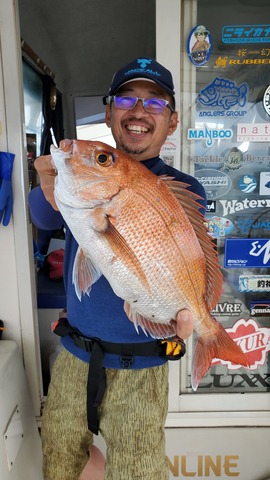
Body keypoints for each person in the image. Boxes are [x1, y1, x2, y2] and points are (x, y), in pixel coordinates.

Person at [29, 56, 206, 480]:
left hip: (142, 366)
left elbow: (194, 261)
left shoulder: (185, 190)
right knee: (60, 463)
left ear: (173, 122)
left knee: (138, 472)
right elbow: (43, 216)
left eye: (156, 102)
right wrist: (47, 183)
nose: (139, 110)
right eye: (127, 97)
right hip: (75, 354)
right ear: (109, 113)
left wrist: (189, 318)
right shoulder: (76, 183)